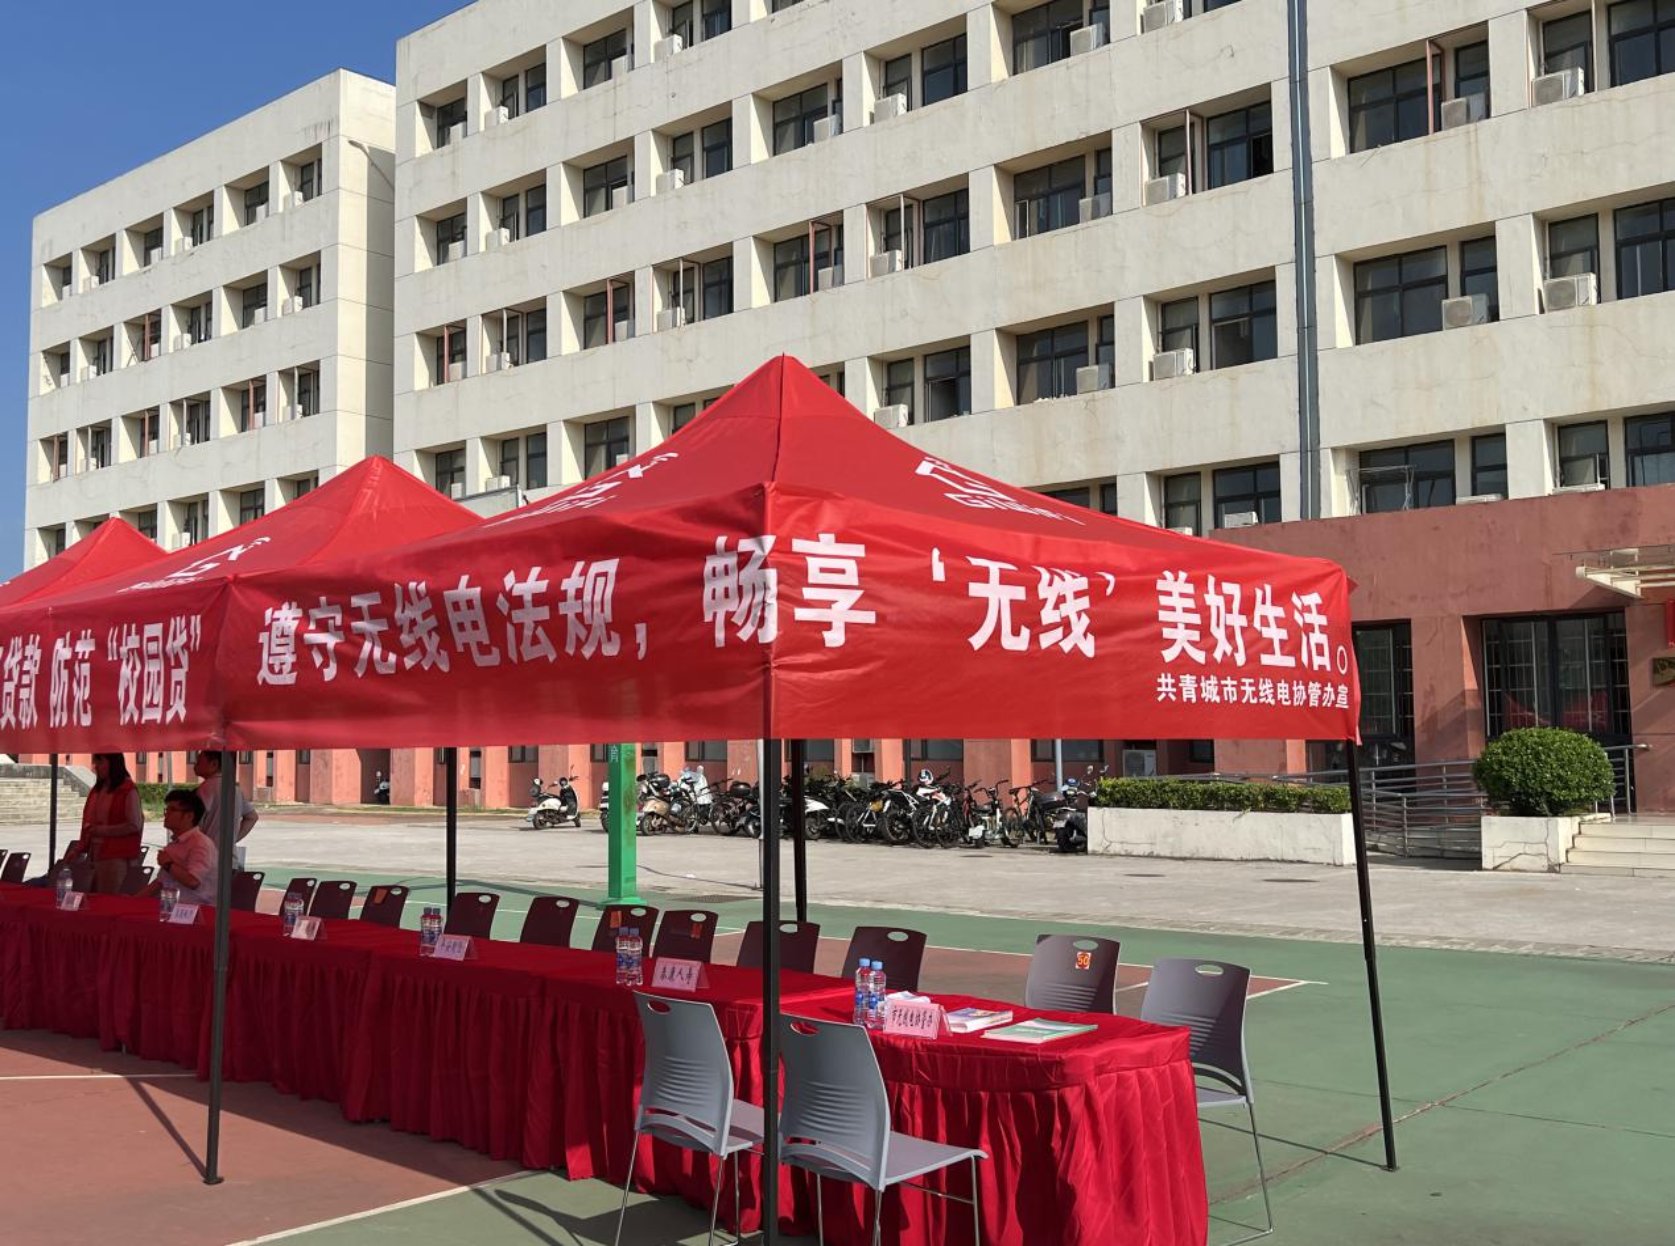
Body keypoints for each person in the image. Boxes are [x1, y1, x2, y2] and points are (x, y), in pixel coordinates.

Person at [63, 753, 143, 894]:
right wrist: (78, 849)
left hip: (116, 858)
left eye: (100, 762)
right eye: (95, 762)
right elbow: (87, 824)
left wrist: (101, 830)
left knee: (110, 899)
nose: (96, 767)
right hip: (95, 855)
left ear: (113, 763)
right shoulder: (97, 790)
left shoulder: (127, 790)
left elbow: (134, 825)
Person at [140, 789, 218, 906]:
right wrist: (134, 900)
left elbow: (193, 881)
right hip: (171, 906)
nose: (166, 814)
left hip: (197, 909)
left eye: (172, 810)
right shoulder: (176, 844)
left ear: (189, 816)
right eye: (167, 809)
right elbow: (161, 882)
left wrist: (168, 864)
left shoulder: (200, 844)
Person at [194, 750, 258, 868]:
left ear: (214, 764)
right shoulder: (234, 788)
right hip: (229, 859)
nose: (195, 765)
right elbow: (252, 817)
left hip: (206, 860)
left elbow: (194, 824)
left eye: (199, 761)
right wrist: (232, 840)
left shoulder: (205, 789)